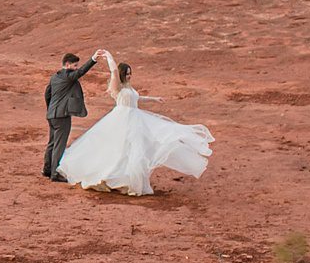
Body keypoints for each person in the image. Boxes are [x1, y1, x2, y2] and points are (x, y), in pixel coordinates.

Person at [56, 49, 213, 196]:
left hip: (134, 119)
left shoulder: (128, 87)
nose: (130, 76)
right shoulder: (116, 86)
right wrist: (109, 57)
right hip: (121, 120)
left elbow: (135, 98)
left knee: (133, 151)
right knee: (120, 150)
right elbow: (114, 71)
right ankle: (110, 177)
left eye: (131, 73)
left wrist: (153, 98)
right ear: (123, 74)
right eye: (128, 74)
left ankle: (126, 180)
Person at [41, 52, 97, 180]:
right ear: (67, 65)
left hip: (52, 115)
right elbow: (80, 72)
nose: (76, 67)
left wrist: (51, 109)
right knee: (59, 145)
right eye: (75, 65)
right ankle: (55, 173)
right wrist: (93, 59)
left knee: (52, 143)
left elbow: (47, 94)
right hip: (61, 116)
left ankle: (47, 169)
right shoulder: (68, 76)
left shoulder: (55, 77)